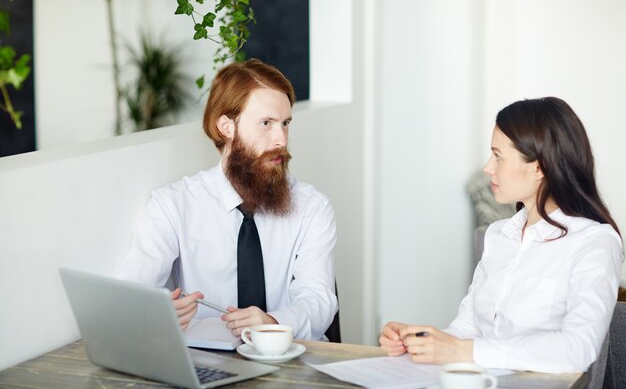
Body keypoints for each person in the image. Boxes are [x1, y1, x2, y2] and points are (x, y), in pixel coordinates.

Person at [380, 97, 624, 373]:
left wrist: (464, 351)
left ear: (539, 167)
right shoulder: (498, 235)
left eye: (498, 156)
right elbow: (468, 327)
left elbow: (578, 348)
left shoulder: (595, 243)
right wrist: (421, 342)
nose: (488, 168)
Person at [117, 59, 337, 341]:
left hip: (290, 361)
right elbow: (131, 291)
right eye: (266, 123)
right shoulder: (173, 205)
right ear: (226, 126)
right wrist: (155, 314)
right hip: (206, 365)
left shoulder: (312, 207)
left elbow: (318, 299)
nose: (281, 139)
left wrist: (272, 322)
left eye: (285, 124)